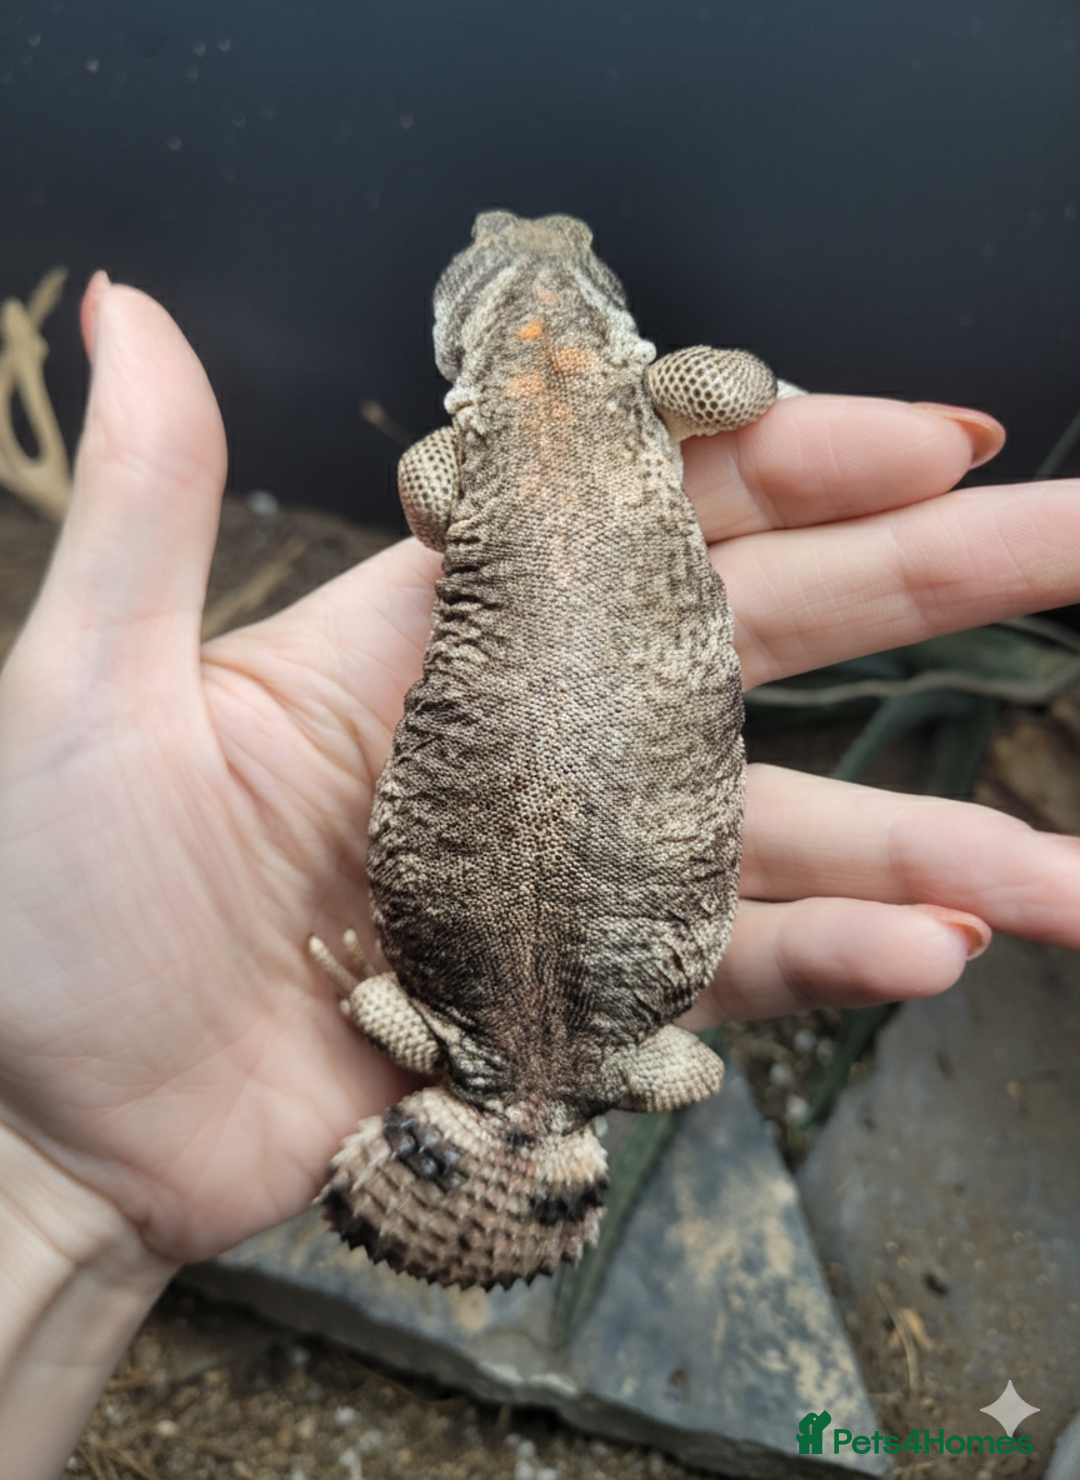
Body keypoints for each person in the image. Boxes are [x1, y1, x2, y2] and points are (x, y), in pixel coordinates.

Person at [1, 274, 1078, 1479]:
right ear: (611, 321)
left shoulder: (451, 459)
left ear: (462, 348)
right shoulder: (657, 390)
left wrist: (42, 1174)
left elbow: (424, 500)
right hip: (483, 1000)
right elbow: (741, 386)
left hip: (577, 1014)